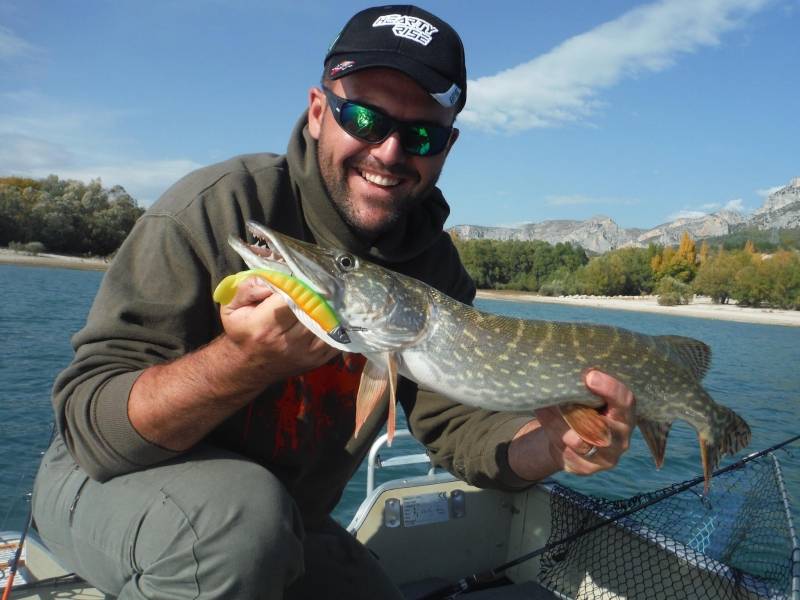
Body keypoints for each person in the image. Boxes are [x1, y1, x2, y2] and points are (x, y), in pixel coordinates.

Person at [32, 5, 635, 599]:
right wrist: (241, 364)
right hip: (107, 477)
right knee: (239, 525)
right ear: (319, 112)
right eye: (366, 119)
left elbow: (456, 425)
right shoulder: (215, 208)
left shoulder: (433, 267)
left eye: (421, 134)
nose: (390, 152)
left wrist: (552, 447)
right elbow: (92, 427)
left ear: (445, 148)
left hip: (286, 519)